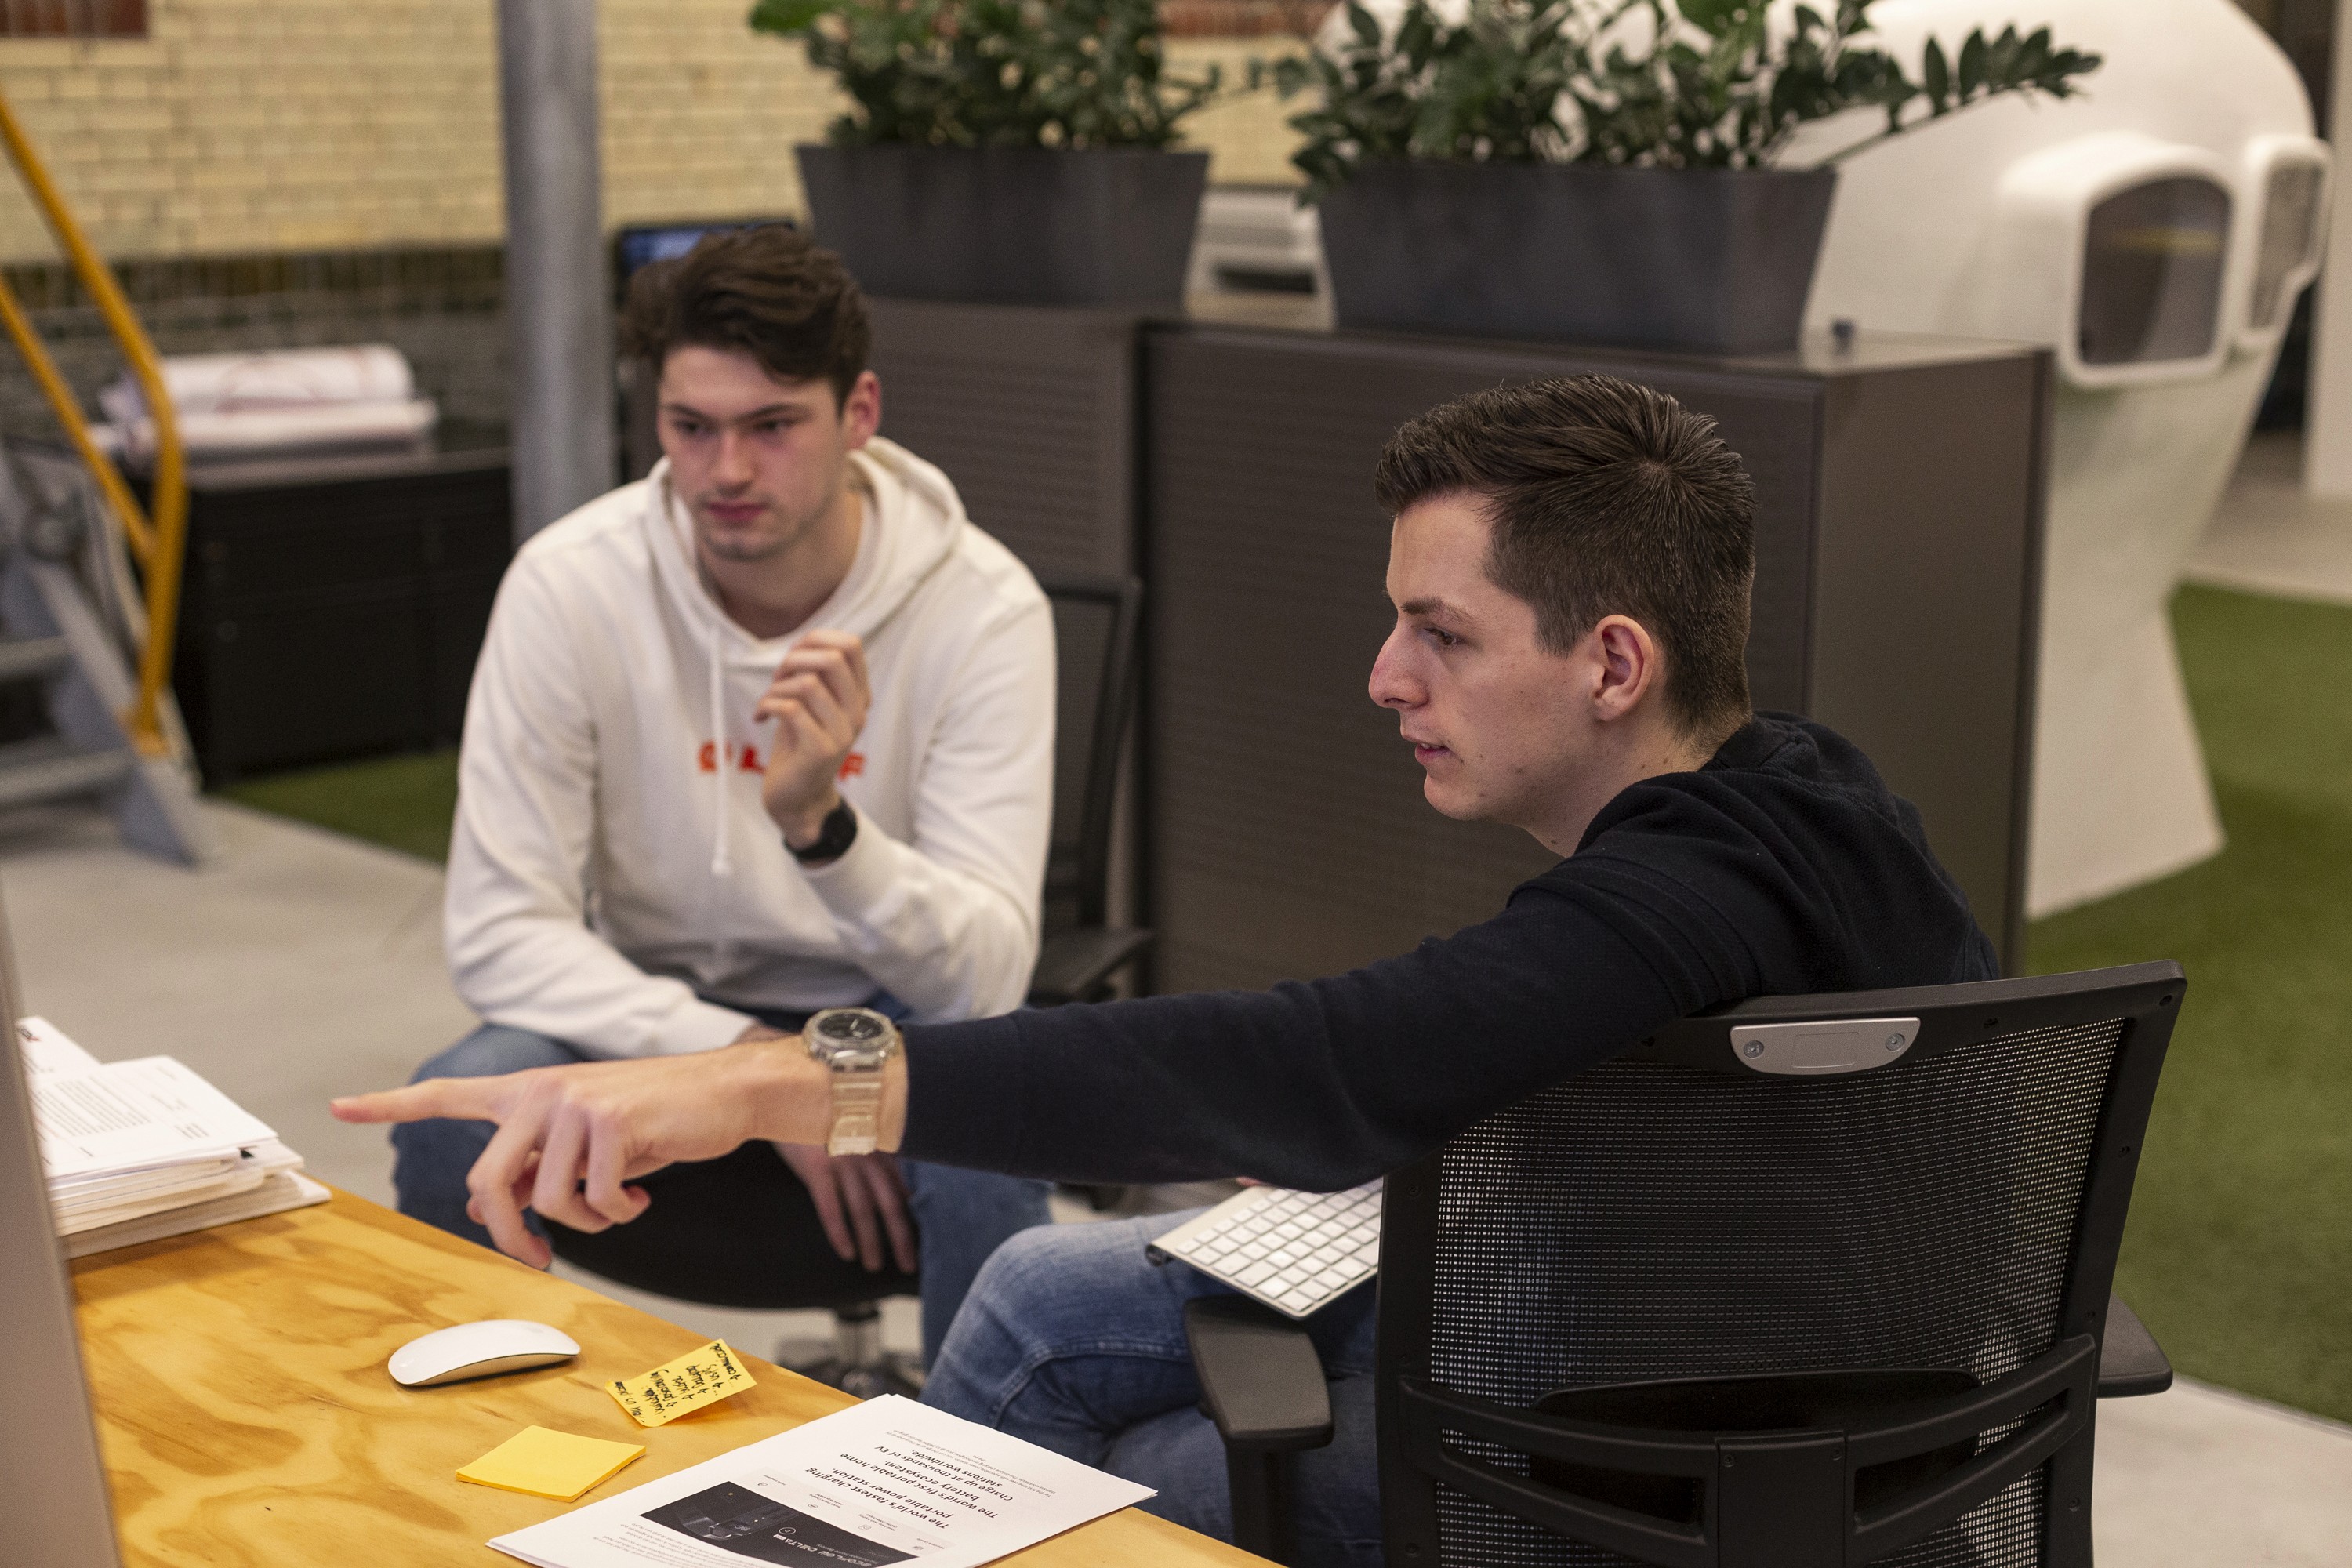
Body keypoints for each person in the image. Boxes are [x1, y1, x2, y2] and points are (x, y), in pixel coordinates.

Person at [339, 375, 1997, 1564]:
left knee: (1138, 1453)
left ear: (1614, 663)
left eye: (1443, 631)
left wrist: (783, 1076)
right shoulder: (1817, 796)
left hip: (1625, 1477)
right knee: (1055, 1288)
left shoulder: (1671, 906)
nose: (1383, 674)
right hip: (1685, 1350)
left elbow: (1317, 1068)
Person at [390, 225, 1055, 1364]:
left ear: (859, 414)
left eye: (772, 426)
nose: (727, 472)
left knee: (989, 1131)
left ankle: (972, 1495)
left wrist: (822, 830)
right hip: (658, 1014)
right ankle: (485, 1482)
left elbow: (985, 980)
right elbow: (501, 934)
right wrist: (749, 1068)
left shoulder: (983, 610)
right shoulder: (569, 586)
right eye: (691, 428)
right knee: (461, 1104)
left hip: (873, 1027)